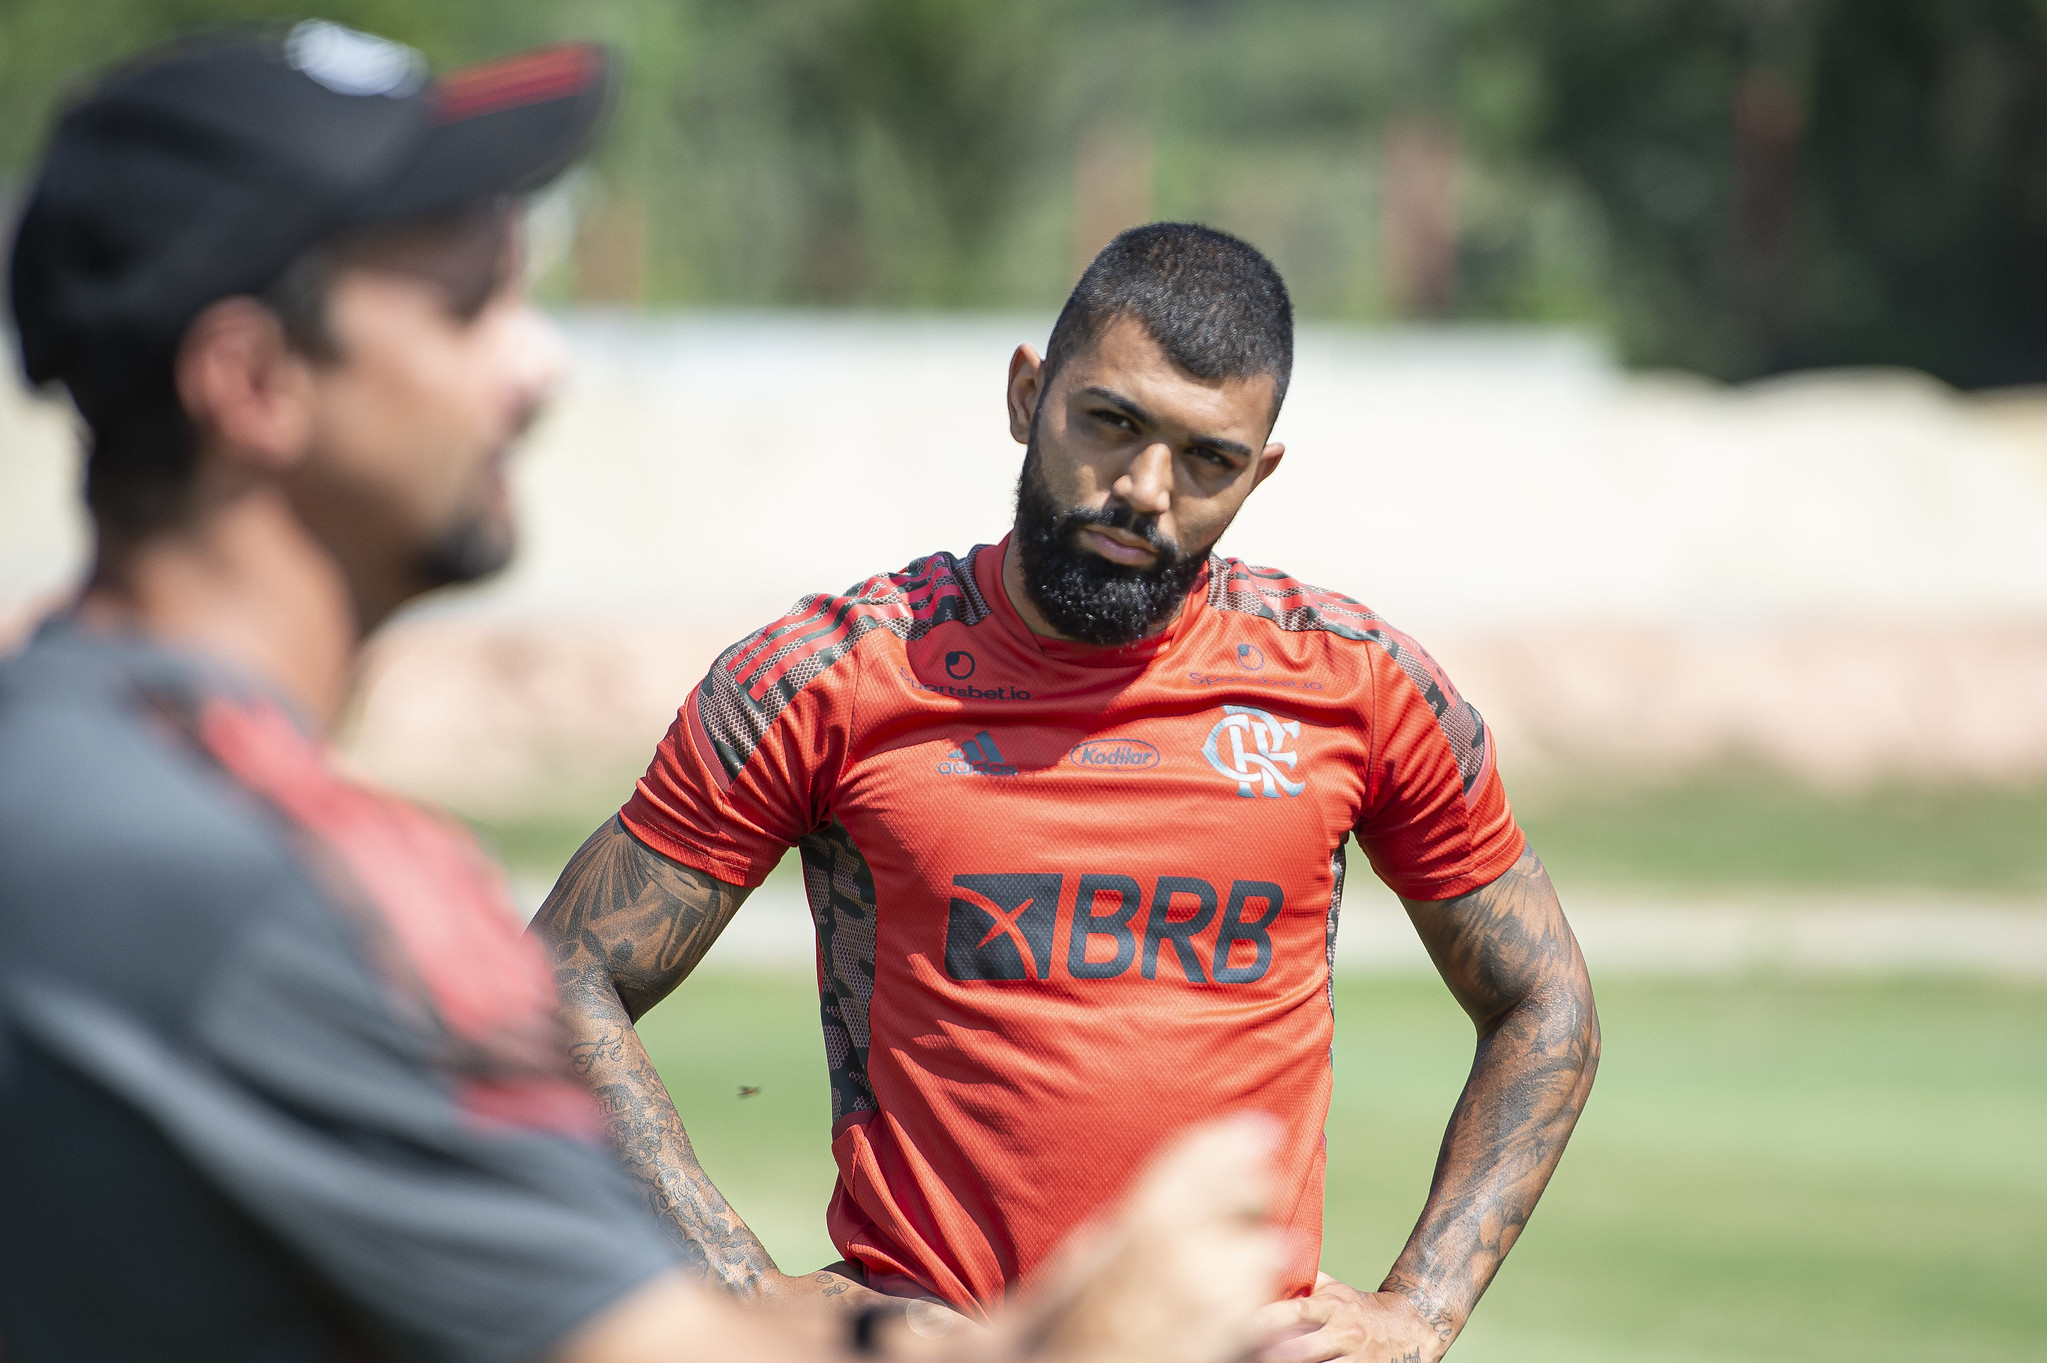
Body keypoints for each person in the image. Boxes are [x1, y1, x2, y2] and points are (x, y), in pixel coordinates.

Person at [0, 28, 1283, 1363]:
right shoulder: (284, 896)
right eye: (466, 308)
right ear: (253, 382)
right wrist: (1057, 1345)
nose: (538, 366)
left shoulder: (56, 768)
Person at [533, 222, 1603, 1363]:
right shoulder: (829, 678)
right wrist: (741, 1289)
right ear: (1026, 395)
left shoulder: (1356, 685)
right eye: (1110, 422)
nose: (1145, 490)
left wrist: (1420, 1307)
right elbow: (551, 982)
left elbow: (1545, 1000)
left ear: (1260, 472)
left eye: (1208, 460)